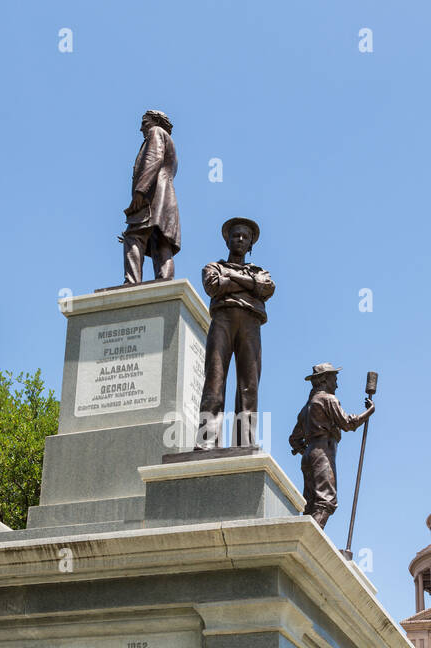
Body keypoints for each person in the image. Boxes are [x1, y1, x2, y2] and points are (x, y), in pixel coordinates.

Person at [195, 217, 274, 449]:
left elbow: (266, 288)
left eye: (245, 237)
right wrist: (250, 284)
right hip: (223, 321)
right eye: (235, 235)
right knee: (214, 380)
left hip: (251, 325)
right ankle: (207, 440)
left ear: (251, 245)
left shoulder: (261, 271)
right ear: (227, 240)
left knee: (249, 386)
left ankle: (244, 443)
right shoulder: (213, 267)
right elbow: (213, 286)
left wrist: (231, 279)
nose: (239, 239)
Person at [289, 363, 375, 528]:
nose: (336, 383)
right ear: (324, 380)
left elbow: (294, 439)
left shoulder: (306, 407)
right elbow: (348, 423)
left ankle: (303, 544)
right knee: (327, 500)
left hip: (309, 455)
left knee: (311, 504)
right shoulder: (327, 399)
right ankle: (309, 540)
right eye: (334, 379)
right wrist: (370, 411)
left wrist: (307, 451)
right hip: (322, 452)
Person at [121, 110, 179, 284]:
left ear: (156, 122)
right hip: (167, 198)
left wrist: (140, 191)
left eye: (144, 123)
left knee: (133, 235)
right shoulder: (171, 143)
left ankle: (131, 283)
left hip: (153, 195)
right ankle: (165, 284)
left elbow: (153, 159)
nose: (141, 128)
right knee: (161, 241)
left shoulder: (156, 132)